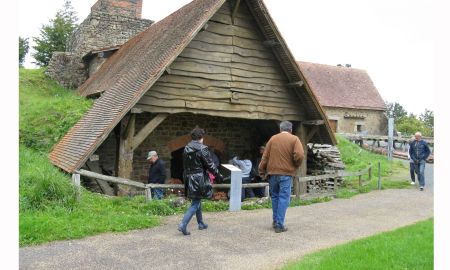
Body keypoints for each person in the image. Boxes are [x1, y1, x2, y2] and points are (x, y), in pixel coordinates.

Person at [259, 121, 304, 233]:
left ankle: (275, 221)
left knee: (275, 197)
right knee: (284, 198)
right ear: (291, 129)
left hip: (273, 173)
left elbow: (265, 157)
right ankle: (279, 224)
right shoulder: (294, 139)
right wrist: (295, 165)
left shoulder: (273, 139)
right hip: (286, 174)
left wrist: (261, 171)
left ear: (280, 129)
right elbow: (299, 155)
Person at [178, 127, 223, 236]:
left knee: (197, 199)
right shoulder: (202, 149)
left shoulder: (186, 148)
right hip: (198, 178)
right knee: (195, 203)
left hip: (189, 176)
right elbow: (210, 164)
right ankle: (183, 224)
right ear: (201, 137)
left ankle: (201, 223)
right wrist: (218, 175)